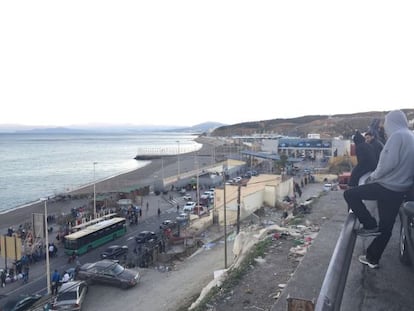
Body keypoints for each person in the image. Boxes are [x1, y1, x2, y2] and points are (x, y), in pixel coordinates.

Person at [343, 110, 414, 269]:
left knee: (350, 194)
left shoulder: (397, 137)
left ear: (392, 122)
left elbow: (387, 164)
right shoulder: (411, 136)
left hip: (385, 186)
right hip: (400, 191)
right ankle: (372, 258)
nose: (385, 127)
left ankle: (369, 224)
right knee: (386, 227)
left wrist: (372, 177)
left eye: (386, 123)